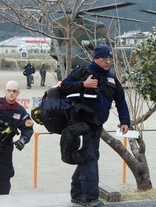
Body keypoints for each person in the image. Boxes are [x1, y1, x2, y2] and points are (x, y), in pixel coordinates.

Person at [61, 44, 130, 207]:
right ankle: (91, 198)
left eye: (110, 58)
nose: (108, 61)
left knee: (89, 157)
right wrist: (83, 85)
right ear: (96, 59)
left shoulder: (112, 79)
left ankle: (76, 193)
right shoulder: (83, 72)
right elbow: (64, 86)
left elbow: (121, 100)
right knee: (89, 157)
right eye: (105, 58)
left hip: (96, 125)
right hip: (80, 123)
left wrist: (125, 121)